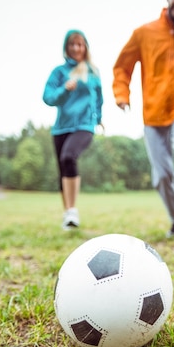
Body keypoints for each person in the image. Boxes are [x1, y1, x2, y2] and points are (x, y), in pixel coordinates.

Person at [113, 0, 174, 238]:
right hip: (153, 112)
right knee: (162, 176)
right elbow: (122, 67)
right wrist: (122, 93)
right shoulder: (143, 33)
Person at [43, 29, 103, 231]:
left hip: (85, 125)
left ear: (85, 47)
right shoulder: (59, 72)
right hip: (61, 127)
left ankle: (72, 210)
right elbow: (48, 98)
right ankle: (68, 214)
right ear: (66, 48)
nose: (77, 48)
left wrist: (99, 119)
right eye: (72, 44)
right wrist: (64, 89)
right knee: (63, 170)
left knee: (69, 157)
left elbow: (99, 99)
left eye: (80, 44)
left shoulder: (93, 72)